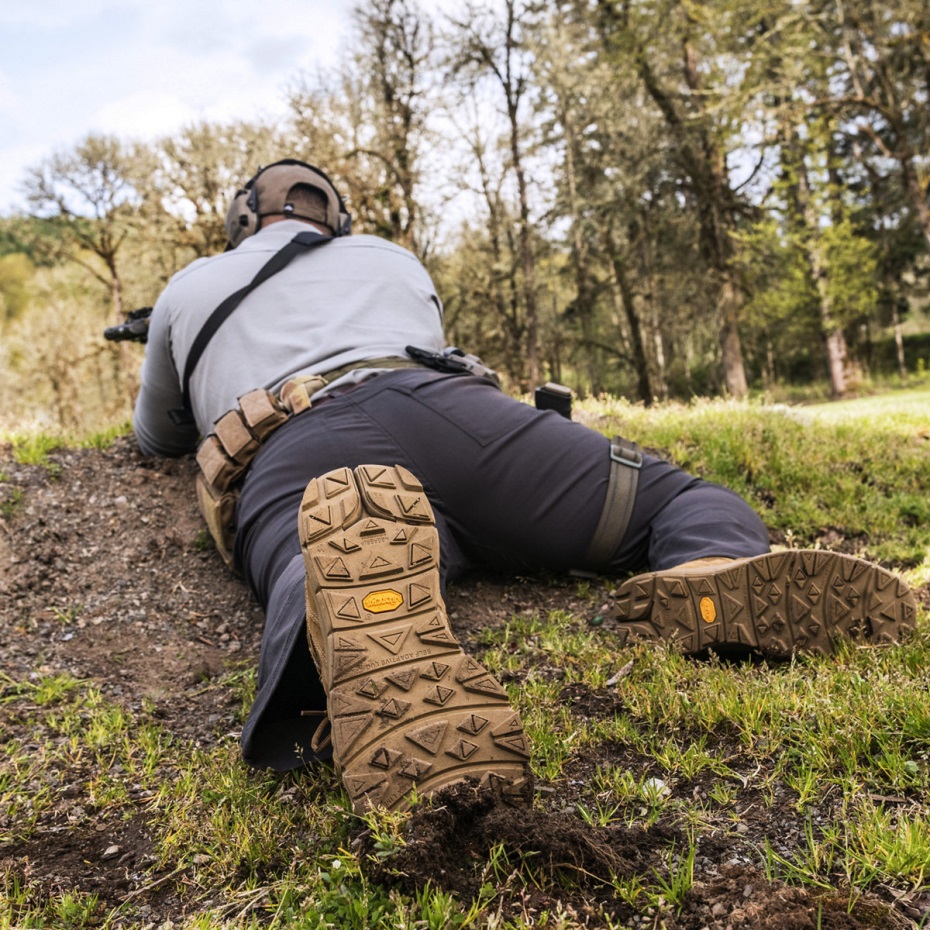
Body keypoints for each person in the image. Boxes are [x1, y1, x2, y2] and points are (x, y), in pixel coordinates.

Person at [133, 159, 917, 813]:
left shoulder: (193, 284)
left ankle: (345, 627)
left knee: (325, 553)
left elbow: (158, 436)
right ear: (335, 217)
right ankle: (704, 565)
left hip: (298, 440)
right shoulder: (389, 258)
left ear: (242, 220)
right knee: (676, 499)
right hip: (460, 419)